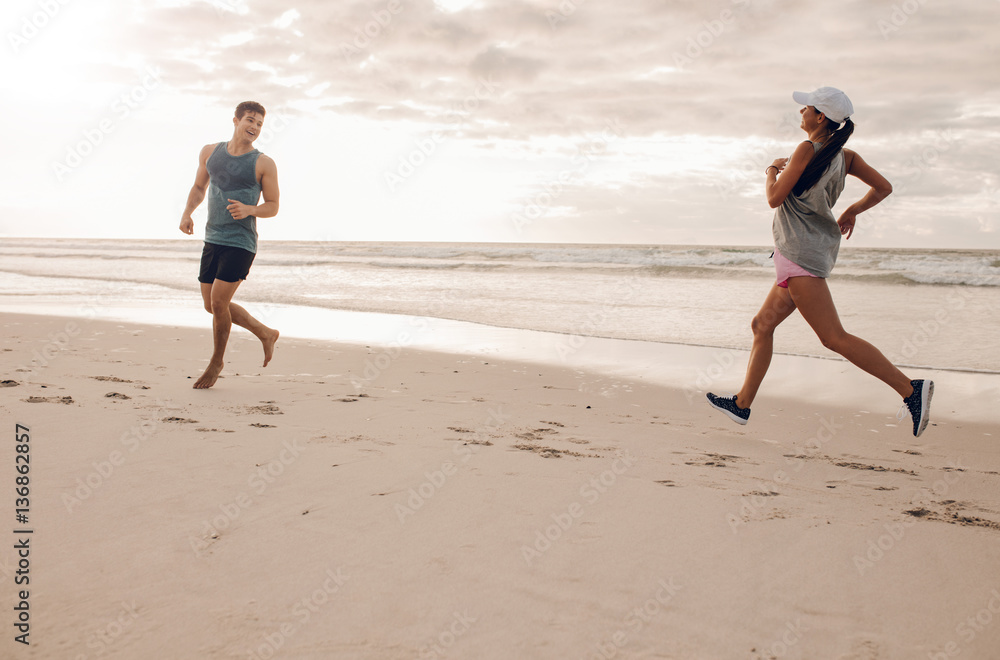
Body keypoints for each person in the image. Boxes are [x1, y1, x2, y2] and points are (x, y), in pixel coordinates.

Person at [706, 87, 933, 437]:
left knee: (833, 337)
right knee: (762, 325)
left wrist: (770, 169)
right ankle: (742, 405)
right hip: (801, 254)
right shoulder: (847, 157)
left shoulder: (806, 150)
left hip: (799, 256)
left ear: (821, 117)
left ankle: (910, 390)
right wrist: (852, 210)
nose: (801, 114)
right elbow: (884, 188)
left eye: (806, 109)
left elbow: (773, 198)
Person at [179, 101, 280, 389]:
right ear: (235, 120)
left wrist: (250, 209)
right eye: (250, 120)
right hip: (213, 238)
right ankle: (265, 332)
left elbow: (272, 206)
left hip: (241, 242)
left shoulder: (262, 163)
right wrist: (187, 213)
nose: (255, 127)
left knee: (219, 302)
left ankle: (216, 363)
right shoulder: (210, 152)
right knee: (211, 306)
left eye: (260, 124)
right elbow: (200, 187)